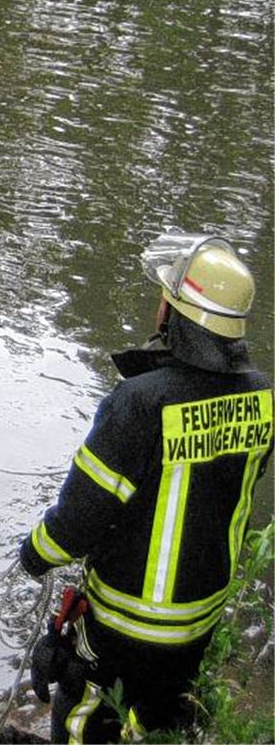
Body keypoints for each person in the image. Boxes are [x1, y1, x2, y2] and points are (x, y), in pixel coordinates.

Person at [19, 231, 272, 744]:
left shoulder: (139, 402)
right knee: (151, 719)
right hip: (198, 620)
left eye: (166, 297)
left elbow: (79, 519)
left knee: (85, 716)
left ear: (178, 314)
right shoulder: (263, 395)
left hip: (127, 621)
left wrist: (34, 555)